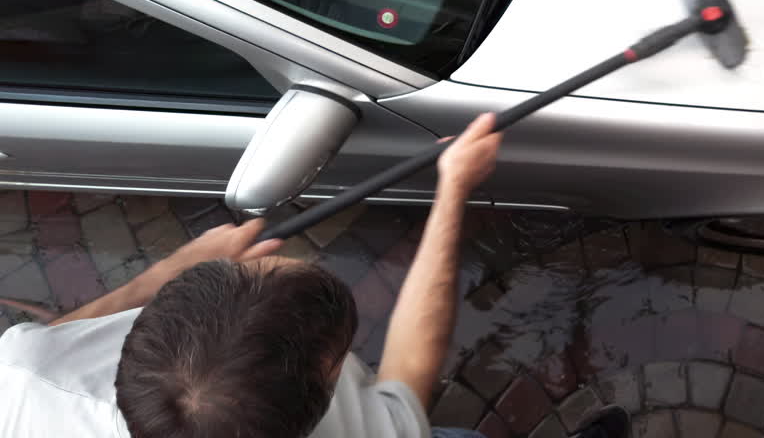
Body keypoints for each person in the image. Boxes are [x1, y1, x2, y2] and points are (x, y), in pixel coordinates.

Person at [0, 113, 631, 438]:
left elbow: (61, 335)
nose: (275, 253)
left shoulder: (23, 376)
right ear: (325, 384)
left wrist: (173, 265)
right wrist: (454, 188)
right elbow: (410, 370)